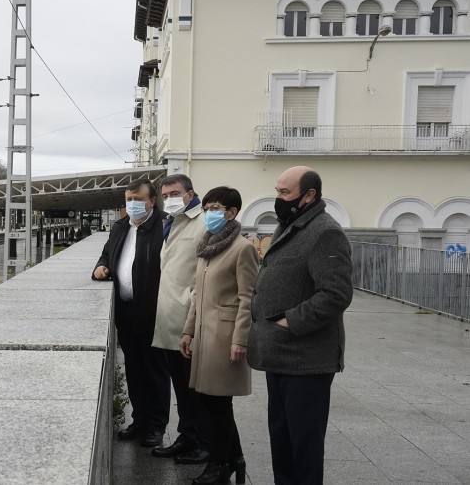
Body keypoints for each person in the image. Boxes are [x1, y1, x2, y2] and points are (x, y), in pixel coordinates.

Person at [247, 166, 353, 485]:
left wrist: (288, 321)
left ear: (309, 195)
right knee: (283, 443)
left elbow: (336, 294)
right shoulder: (291, 224)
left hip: (306, 360)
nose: (277, 199)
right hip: (281, 355)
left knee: (303, 449)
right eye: (276, 191)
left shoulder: (325, 232)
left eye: (284, 193)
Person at [180, 186, 258, 484]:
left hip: (224, 337)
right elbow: (198, 293)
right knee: (210, 403)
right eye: (207, 207)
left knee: (219, 405)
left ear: (232, 212)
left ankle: (218, 466)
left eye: (215, 208)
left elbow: (247, 298)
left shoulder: (243, 248)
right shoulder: (207, 246)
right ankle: (234, 458)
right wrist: (188, 330)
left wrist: (240, 339)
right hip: (203, 335)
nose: (209, 213)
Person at [92, 178, 168, 447]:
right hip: (126, 314)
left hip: (153, 313)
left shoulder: (164, 226)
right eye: (129, 199)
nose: (132, 204)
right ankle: (140, 420)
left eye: (138, 199)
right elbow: (106, 254)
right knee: (134, 371)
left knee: (155, 373)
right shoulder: (121, 226)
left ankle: (157, 426)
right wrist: (101, 268)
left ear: (151, 201)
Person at [150, 175, 213, 465]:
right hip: (169, 320)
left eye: (175, 193)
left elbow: (209, 273)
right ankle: (187, 435)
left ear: (191, 194)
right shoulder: (173, 221)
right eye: (165, 194)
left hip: (189, 321)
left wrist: (191, 305)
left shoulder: (204, 223)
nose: (169, 198)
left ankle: (204, 442)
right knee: (180, 385)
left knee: (196, 388)